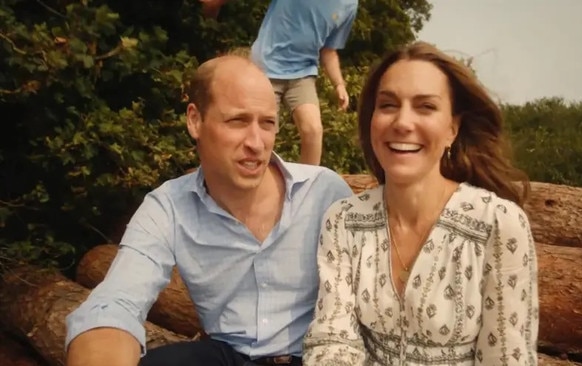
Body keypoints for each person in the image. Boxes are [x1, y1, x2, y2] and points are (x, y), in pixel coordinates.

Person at [64, 54, 353, 366]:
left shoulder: (325, 192)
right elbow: (116, 301)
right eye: (238, 121)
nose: (256, 142)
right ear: (195, 120)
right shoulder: (169, 207)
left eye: (267, 123)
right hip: (226, 356)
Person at [302, 41, 539, 365]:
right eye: (387, 105)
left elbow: (507, 358)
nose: (402, 122)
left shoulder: (497, 224)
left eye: (425, 107)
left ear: (452, 128)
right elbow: (331, 341)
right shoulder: (344, 221)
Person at [201, 0, 358, 166]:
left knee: (313, 130)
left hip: (303, 73)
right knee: (262, 132)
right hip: (266, 67)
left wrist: (339, 84)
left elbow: (329, 50)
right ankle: (250, 176)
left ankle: (309, 184)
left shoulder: (349, 5)